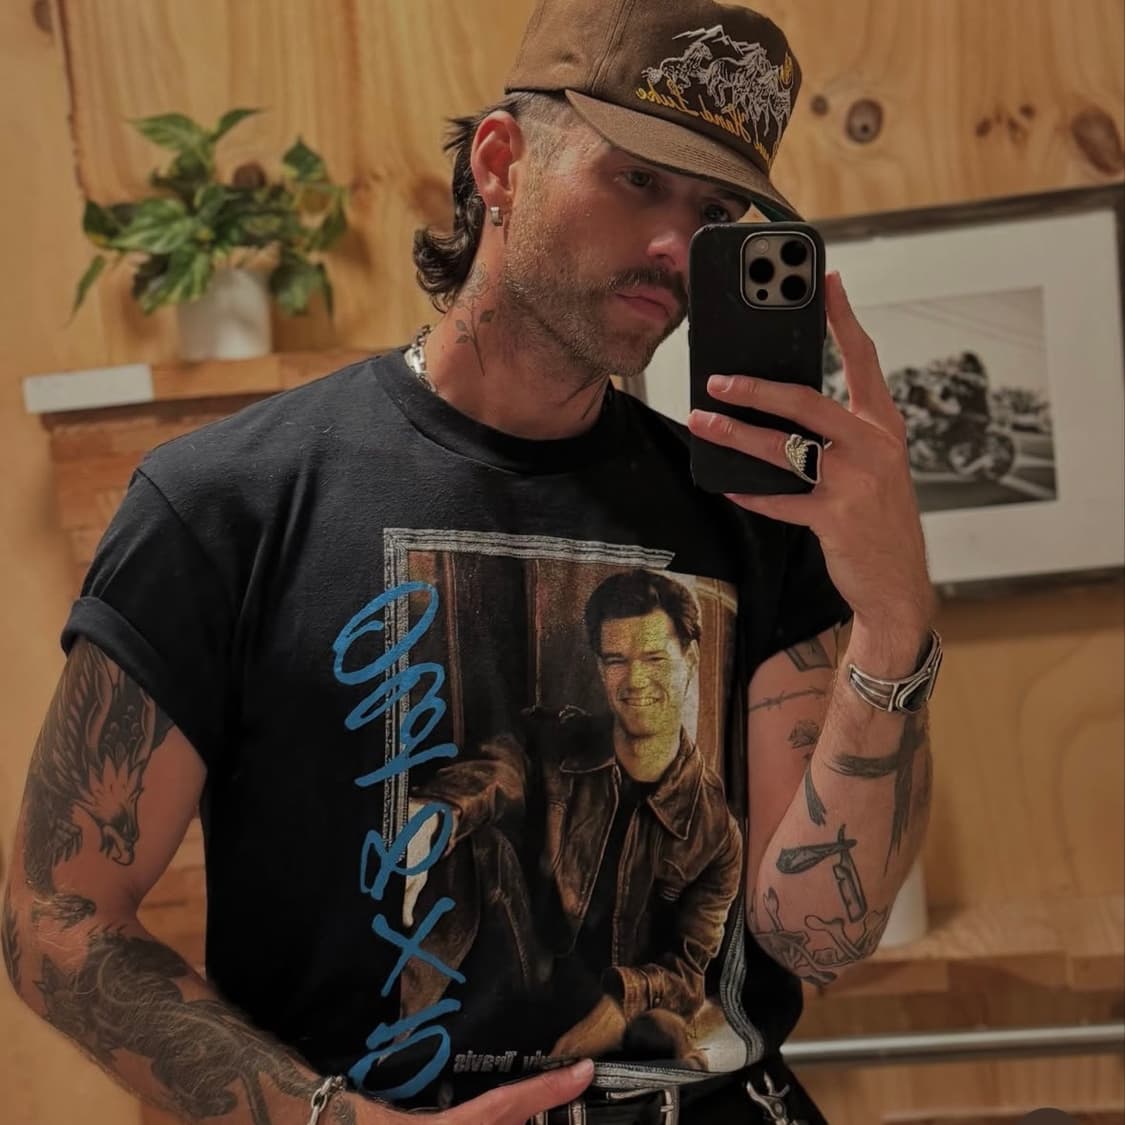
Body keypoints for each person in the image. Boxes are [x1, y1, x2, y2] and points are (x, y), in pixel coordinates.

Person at [3, 0, 940, 1122]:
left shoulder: (754, 515)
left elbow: (818, 936)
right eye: (637, 179)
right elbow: (56, 919)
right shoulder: (227, 503)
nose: (674, 247)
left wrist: (893, 617)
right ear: (500, 162)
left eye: (713, 213)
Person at [403, 570, 742, 1069]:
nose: (635, 680)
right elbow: (502, 768)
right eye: (617, 660)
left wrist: (620, 1004)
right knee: (475, 845)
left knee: (664, 1033)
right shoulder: (556, 741)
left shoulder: (715, 832)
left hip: (604, 1009)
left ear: (689, 661)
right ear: (600, 667)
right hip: (512, 975)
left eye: (654, 658)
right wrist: (440, 812)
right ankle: (398, 1047)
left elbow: (687, 971)